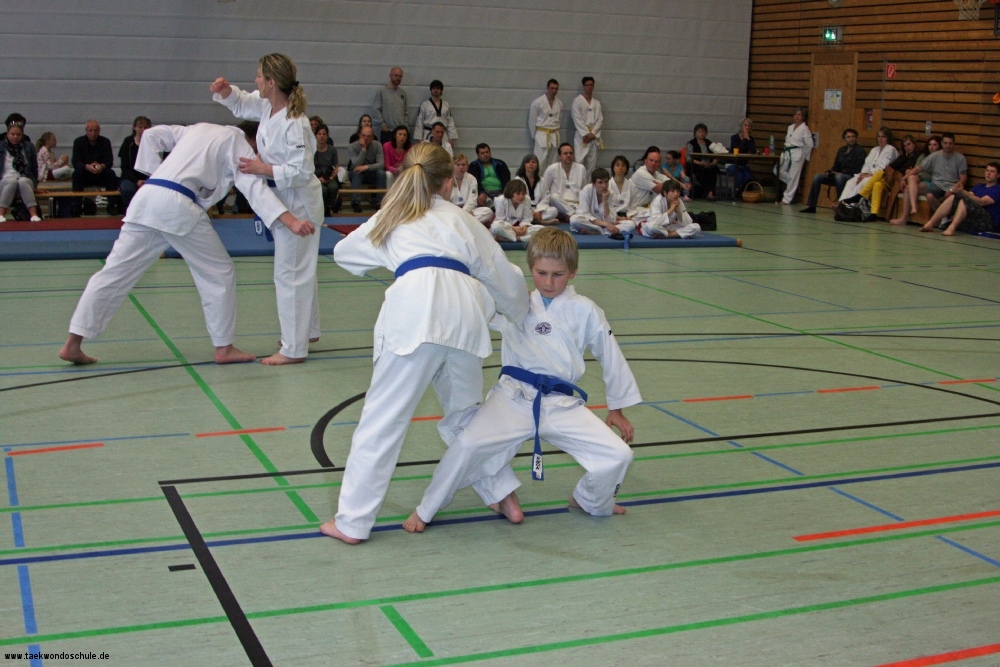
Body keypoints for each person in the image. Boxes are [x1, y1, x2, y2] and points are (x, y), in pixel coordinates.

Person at [318, 142, 530, 545]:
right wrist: (520, 316)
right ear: (449, 183)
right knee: (466, 415)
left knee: (383, 420)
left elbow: (345, 253)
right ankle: (503, 495)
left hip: (413, 311)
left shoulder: (393, 215)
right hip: (464, 313)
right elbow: (504, 278)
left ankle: (352, 522)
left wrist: (394, 254)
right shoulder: (464, 220)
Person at [402, 227, 640, 533]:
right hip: (513, 398)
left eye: (558, 275)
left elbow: (611, 356)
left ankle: (589, 499)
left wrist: (617, 408)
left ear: (573, 272)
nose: (549, 282)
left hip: (561, 404)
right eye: (541, 273)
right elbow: (475, 305)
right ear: (530, 269)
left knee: (619, 455)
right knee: (467, 444)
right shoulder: (517, 303)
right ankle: (426, 509)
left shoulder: (587, 311)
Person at [58, 122, 313, 366]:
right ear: (254, 140)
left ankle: (73, 343)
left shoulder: (198, 129)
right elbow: (254, 189)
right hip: (177, 205)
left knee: (114, 273)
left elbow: (151, 135)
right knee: (219, 272)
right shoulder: (239, 144)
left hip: (147, 198)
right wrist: (290, 221)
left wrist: (154, 171)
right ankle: (223, 348)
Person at [211, 53, 325, 366]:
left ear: (272, 82)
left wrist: (262, 168)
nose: (256, 80)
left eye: (260, 76)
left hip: (298, 202)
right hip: (285, 197)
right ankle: (308, 330)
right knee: (300, 269)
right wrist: (225, 92)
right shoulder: (267, 106)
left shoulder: (295, 123)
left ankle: (293, 348)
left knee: (290, 274)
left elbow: (302, 171)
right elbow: (241, 102)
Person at [919, 161, 999, 236]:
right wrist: (958, 190)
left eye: (992, 171)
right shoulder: (979, 186)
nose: (988, 173)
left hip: (987, 221)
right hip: (973, 217)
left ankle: (952, 227)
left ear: (998, 175)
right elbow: (968, 196)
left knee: (965, 201)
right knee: (953, 197)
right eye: (987, 170)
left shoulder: (998, 189)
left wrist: (963, 191)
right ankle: (930, 223)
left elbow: (982, 202)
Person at [799, 128, 866, 214]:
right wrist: (831, 171)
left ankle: (841, 205)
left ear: (856, 138)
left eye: (853, 136)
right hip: (839, 175)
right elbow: (836, 165)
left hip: (851, 177)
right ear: (844, 138)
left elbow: (858, 169)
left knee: (839, 177)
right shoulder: (841, 150)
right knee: (818, 177)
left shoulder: (860, 151)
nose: (851, 139)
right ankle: (812, 206)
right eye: (848, 137)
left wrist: (841, 173)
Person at [861, 134, 919, 220]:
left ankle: (860, 195)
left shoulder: (918, 156)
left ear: (914, 143)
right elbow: (890, 167)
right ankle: (874, 213)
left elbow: (909, 169)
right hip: (891, 180)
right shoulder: (903, 157)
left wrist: (902, 170)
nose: (907, 147)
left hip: (900, 182)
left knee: (879, 173)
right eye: (905, 146)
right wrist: (903, 165)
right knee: (877, 184)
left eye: (909, 144)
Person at [838, 127, 898, 204]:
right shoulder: (874, 149)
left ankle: (850, 206)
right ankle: (841, 203)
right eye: (879, 136)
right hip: (868, 175)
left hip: (880, 177)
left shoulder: (891, 149)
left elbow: (883, 168)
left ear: (888, 138)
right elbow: (867, 164)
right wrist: (862, 174)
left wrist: (866, 176)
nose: (880, 139)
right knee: (851, 182)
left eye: (883, 137)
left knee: (862, 183)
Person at [570, 167, 636, 236]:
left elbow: (610, 219)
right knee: (574, 220)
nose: (604, 185)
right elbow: (585, 215)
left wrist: (605, 201)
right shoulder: (586, 190)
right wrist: (606, 224)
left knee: (631, 224)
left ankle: (599, 231)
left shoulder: (611, 194)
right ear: (593, 183)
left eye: (606, 182)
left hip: (604, 225)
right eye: (600, 182)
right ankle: (602, 230)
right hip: (590, 223)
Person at [72, 119, 119, 214]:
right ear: (86, 131)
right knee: (76, 174)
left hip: (101, 173)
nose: (93, 133)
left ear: (99, 131)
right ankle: (77, 206)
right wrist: (87, 166)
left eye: (96, 130)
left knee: (111, 174)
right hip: (85, 173)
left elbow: (109, 161)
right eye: (90, 130)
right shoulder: (78, 142)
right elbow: (75, 162)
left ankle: (112, 205)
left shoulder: (105, 142)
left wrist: (101, 166)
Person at [889, 136, 940, 224]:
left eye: (935, 145)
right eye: (930, 145)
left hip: (931, 182)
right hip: (919, 179)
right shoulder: (923, 156)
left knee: (908, 188)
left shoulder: (940, 157)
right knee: (910, 180)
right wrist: (903, 178)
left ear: (939, 146)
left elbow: (932, 174)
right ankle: (907, 214)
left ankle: (910, 211)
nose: (932, 147)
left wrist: (917, 175)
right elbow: (916, 169)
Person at [0, 117, 41, 222]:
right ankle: (1, 214)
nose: (15, 137)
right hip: (5, 180)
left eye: (18, 135)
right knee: (12, 181)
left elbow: (34, 167)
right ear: (7, 134)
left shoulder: (29, 147)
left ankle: (33, 215)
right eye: (12, 134)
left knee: (23, 181)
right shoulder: (1, 147)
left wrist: (35, 185)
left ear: (22, 135)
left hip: (24, 178)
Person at [346, 126, 387, 212]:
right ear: (360, 136)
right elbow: (356, 164)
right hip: (355, 173)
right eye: (363, 135)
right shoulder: (352, 146)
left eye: (368, 136)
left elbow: (381, 164)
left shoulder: (377, 145)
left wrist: (366, 167)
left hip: (370, 172)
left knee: (381, 173)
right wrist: (363, 149)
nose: (365, 138)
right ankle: (356, 202)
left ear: (372, 137)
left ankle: (379, 202)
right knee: (357, 172)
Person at [542, 143, 586, 220]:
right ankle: (572, 214)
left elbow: (584, 190)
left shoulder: (581, 168)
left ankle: (569, 215)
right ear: (559, 156)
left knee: (584, 209)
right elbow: (544, 191)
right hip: (558, 204)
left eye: (571, 153)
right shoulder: (552, 169)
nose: (568, 155)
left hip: (575, 204)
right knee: (553, 197)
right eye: (565, 153)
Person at [779, 107, 813, 205]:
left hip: (798, 153)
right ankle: (792, 184)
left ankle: (786, 199)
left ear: (803, 117)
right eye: (795, 114)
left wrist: (804, 156)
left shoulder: (805, 128)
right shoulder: (790, 127)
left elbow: (809, 144)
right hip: (787, 151)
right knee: (778, 171)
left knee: (793, 176)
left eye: (799, 115)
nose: (797, 116)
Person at [571, 76, 603, 177]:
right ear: (583, 86)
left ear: (593, 86)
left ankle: (589, 185)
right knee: (579, 162)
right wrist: (586, 134)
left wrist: (593, 134)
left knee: (591, 164)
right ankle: (578, 184)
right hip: (581, 136)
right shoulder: (577, 101)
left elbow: (600, 120)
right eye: (587, 85)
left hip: (593, 137)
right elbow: (577, 118)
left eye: (591, 85)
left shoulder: (597, 103)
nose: (589, 87)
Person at [118, 115, 152, 211]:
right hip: (130, 177)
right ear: (134, 128)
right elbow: (124, 167)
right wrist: (136, 181)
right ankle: (129, 211)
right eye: (140, 127)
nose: (143, 130)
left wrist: (148, 179)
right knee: (127, 189)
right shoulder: (128, 143)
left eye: (145, 127)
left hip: (148, 177)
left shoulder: (153, 143)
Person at [528, 79, 563, 172]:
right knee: (540, 161)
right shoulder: (537, 102)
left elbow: (559, 120)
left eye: (556, 89)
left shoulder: (559, 103)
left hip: (554, 134)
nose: (554, 91)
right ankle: (538, 180)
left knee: (554, 162)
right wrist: (534, 136)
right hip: (542, 134)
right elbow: (532, 121)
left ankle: (552, 180)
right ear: (547, 88)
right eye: (552, 88)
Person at [514, 153, 557, 223]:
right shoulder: (518, 179)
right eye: (528, 162)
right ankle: (540, 220)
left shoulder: (542, 180)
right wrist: (532, 212)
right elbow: (516, 197)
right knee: (518, 212)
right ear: (524, 165)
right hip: (523, 208)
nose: (531, 164)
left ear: (537, 165)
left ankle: (534, 219)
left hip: (538, 208)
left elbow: (546, 198)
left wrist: (538, 211)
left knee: (553, 211)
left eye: (533, 162)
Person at [413, 80, 457, 147]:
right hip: (429, 133)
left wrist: (452, 139)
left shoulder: (446, 105)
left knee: (443, 151)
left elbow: (450, 122)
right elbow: (419, 122)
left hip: (442, 134)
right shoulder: (425, 105)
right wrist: (419, 140)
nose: (435, 90)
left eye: (438, 88)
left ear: (441, 90)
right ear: (431, 90)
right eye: (433, 88)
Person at [372, 67, 408, 144]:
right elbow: (376, 109)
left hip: (400, 133)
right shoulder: (382, 91)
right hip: (387, 132)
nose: (398, 78)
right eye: (396, 75)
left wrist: (405, 127)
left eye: (400, 76)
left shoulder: (402, 93)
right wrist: (382, 125)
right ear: (390, 75)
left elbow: (406, 112)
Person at [686, 123, 718, 200]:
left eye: (703, 132)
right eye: (699, 132)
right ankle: (708, 192)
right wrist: (702, 163)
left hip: (709, 165)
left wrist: (712, 163)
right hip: (696, 165)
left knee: (714, 169)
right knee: (700, 170)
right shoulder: (691, 144)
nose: (701, 133)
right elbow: (689, 159)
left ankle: (711, 193)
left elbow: (716, 154)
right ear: (695, 133)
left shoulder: (709, 143)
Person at [313, 123, 340, 215]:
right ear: (316, 136)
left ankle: (329, 207)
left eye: (324, 134)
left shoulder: (332, 150)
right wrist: (317, 179)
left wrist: (331, 177)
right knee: (322, 190)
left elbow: (336, 167)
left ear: (327, 136)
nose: (322, 136)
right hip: (315, 177)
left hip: (329, 176)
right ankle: (322, 209)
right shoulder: (312, 150)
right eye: (319, 134)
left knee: (333, 187)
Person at [728, 118, 757, 196]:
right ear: (741, 126)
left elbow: (753, 151)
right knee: (740, 175)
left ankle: (742, 192)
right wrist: (744, 139)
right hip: (733, 163)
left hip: (744, 164)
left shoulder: (751, 139)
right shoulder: (734, 138)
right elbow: (739, 150)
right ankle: (735, 191)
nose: (747, 127)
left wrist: (748, 139)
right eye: (745, 125)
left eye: (749, 126)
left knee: (748, 176)